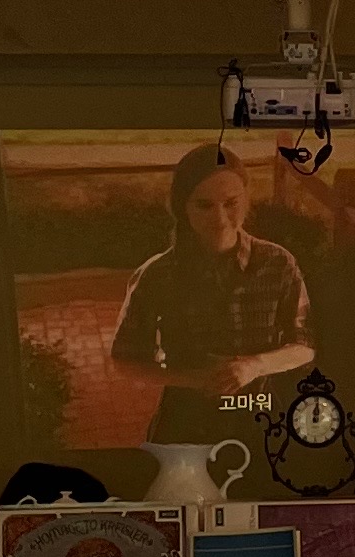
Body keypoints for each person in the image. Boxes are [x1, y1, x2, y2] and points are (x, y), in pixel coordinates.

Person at [110, 143, 316, 448]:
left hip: (261, 418)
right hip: (185, 423)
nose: (220, 219)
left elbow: (305, 344)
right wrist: (195, 379)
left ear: (246, 199)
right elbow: (125, 358)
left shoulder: (278, 263)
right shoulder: (156, 275)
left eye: (231, 203)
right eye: (204, 205)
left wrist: (254, 366)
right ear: (183, 207)